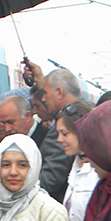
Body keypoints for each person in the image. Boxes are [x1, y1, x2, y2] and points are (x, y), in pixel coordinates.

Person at [38, 68, 82, 202]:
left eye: (45, 93)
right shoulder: (87, 110)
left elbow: (51, 179)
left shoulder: (65, 123)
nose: (43, 99)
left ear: (59, 92)